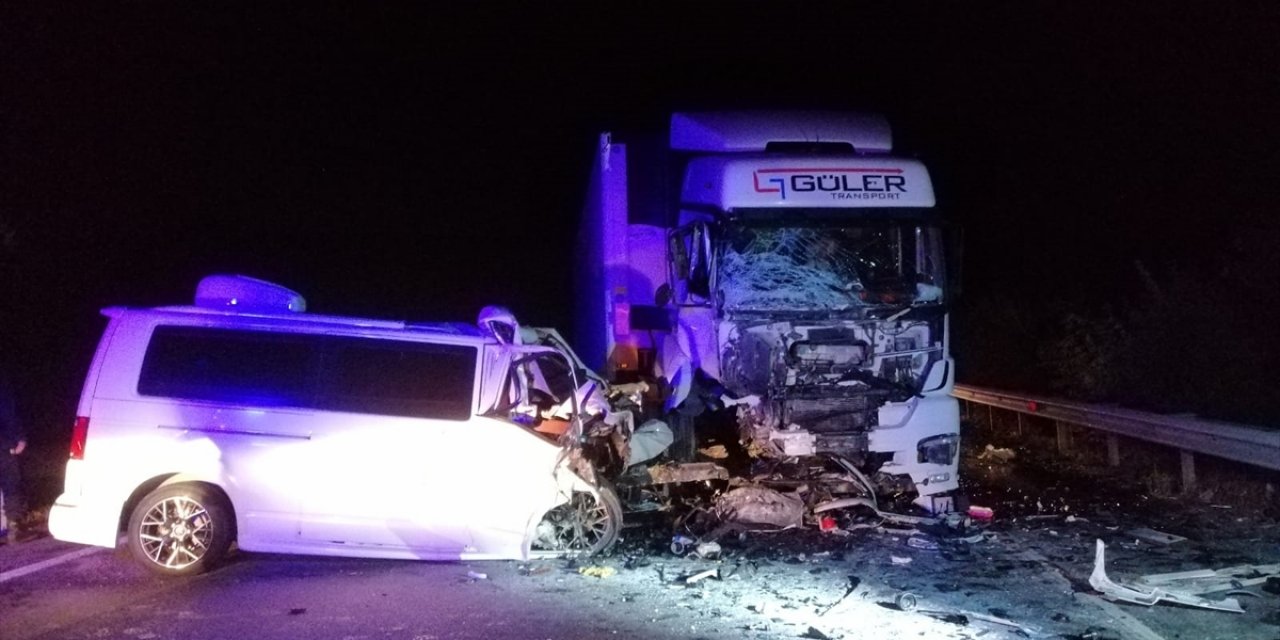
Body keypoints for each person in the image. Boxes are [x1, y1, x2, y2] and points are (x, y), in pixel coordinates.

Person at [0, 373, 26, 545]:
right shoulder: (4, 391)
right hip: (5, 446)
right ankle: (12, 527)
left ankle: (12, 527)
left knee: (11, 486)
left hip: (5, 446)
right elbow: (11, 416)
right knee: (11, 486)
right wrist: (21, 438)